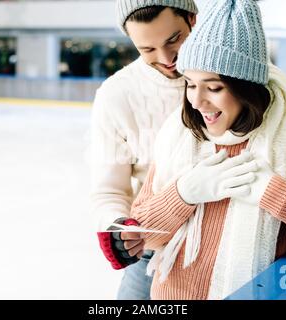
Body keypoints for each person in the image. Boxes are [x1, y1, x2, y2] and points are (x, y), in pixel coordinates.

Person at [129, 0, 286, 300]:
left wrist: (278, 196)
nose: (197, 102)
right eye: (190, 84)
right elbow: (141, 233)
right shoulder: (180, 132)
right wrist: (183, 193)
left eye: (213, 88)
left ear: (246, 87)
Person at [90, 0, 198, 300]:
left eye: (174, 39)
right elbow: (109, 192)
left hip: (224, 244)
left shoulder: (227, 78)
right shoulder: (116, 95)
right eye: (147, 50)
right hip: (153, 249)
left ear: (192, 19)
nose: (166, 58)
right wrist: (120, 229)